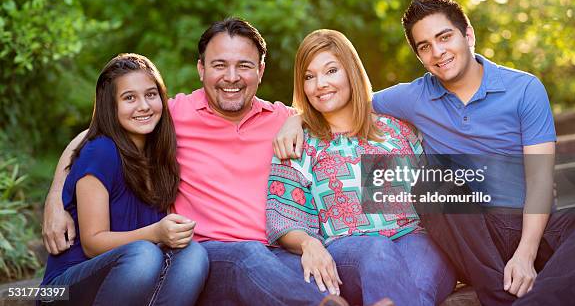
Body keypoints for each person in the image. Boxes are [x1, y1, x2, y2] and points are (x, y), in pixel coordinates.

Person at [275, 0, 575, 306]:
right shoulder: (411, 98)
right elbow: (342, 99)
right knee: (436, 186)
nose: (437, 52)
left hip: (533, 223)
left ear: (468, 35)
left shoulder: (524, 88)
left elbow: (540, 181)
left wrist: (525, 253)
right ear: (419, 56)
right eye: (425, 46)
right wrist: (297, 118)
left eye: (445, 37)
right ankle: (500, 295)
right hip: (474, 233)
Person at [42, 19, 353, 306]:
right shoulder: (172, 115)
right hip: (211, 255)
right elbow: (94, 137)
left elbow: (345, 115)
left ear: (260, 70)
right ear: (201, 69)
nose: (231, 77)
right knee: (242, 255)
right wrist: (55, 200)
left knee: (345, 260)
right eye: (219, 65)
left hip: (275, 250)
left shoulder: (282, 119)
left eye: (243, 66)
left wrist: (297, 118)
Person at [266, 29, 456, 306]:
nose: (320, 84)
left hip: (414, 238)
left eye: (331, 71)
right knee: (375, 249)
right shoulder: (297, 143)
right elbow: (284, 218)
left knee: (418, 282)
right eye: (309, 76)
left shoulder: (398, 130)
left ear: (351, 71)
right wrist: (309, 244)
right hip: (348, 253)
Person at [40, 53, 209, 306]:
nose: (143, 105)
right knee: (144, 254)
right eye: (129, 98)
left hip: (130, 279)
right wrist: (156, 233)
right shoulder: (101, 151)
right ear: (111, 106)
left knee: (193, 253)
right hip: (63, 288)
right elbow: (93, 243)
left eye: (151, 95)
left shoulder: (159, 154)